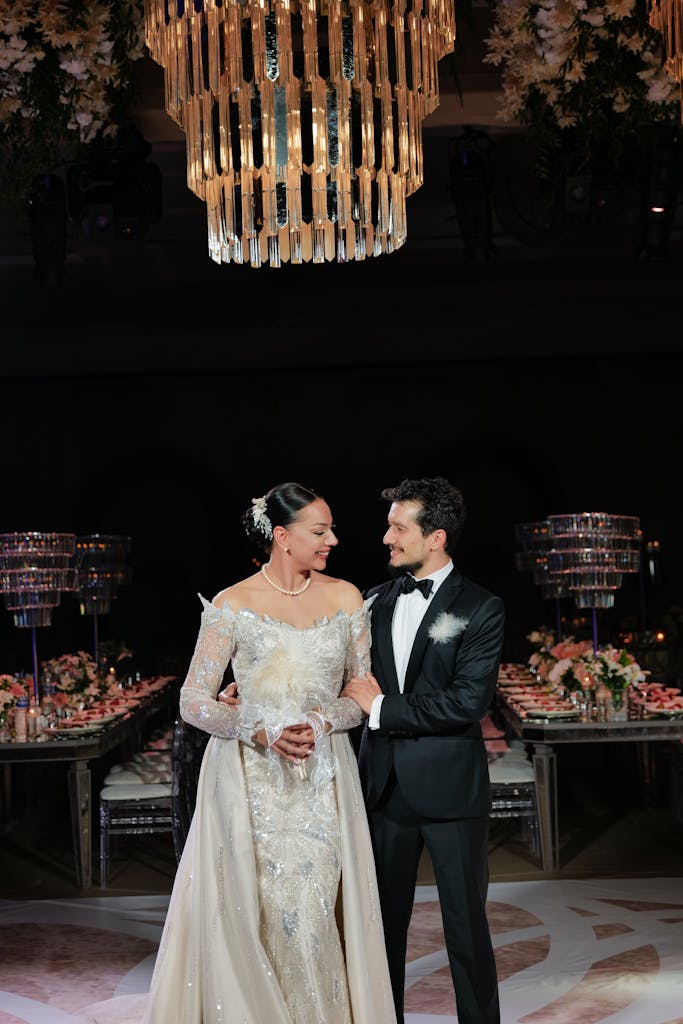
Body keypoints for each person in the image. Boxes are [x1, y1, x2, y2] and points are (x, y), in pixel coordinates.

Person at [83, 482, 396, 1024]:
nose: (334, 541)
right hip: (249, 779)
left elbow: (359, 691)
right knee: (257, 908)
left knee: (316, 906)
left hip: (323, 778)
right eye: (320, 532)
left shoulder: (347, 598)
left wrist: (322, 721)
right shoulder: (231, 605)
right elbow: (192, 701)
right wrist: (259, 731)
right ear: (282, 536)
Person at [342, 476, 504, 1024]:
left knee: (466, 930)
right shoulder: (369, 601)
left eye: (397, 527)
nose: (386, 537)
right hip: (383, 788)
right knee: (381, 930)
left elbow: (467, 701)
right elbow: (330, 675)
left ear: (435, 537)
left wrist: (382, 707)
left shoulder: (481, 607)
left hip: (452, 791)